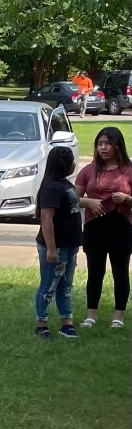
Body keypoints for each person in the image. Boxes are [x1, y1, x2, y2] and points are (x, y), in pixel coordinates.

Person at [75, 127, 132, 329]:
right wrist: (88, 202)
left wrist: (126, 199)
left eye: (108, 143)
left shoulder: (128, 170)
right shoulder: (89, 170)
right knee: (95, 271)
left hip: (121, 227)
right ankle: (91, 315)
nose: (103, 148)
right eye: (100, 144)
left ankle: (119, 316)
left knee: (120, 271)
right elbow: (73, 199)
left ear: (118, 145)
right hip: (94, 227)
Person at [33, 147, 82, 339]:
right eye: (71, 160)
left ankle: (66, 323)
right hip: (56, 247)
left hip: (70, 245)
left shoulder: (63, 184)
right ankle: (41, 323)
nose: (74, 164)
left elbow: (71, 205)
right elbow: (46, 219)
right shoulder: (51, 187)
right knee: (48, 286)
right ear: (64, 164)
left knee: (65, 285)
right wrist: (51, 249)